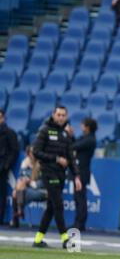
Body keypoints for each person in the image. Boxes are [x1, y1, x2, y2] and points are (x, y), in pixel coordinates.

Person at [32, 106, 82, 248]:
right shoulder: (45, 130)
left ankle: (37, 240)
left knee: (51, 208)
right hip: (48, 172)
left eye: (63, 115)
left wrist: (77, 176)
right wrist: (55, 159)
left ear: (66, 117)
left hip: (61, 174)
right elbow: (36, 151)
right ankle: (65, 239)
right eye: (58, 114)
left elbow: (71, 158)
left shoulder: (66, 134)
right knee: (58, 205)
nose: (61, 117)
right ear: (53, 115)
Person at [67, 118, 97, 232]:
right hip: (79, 171)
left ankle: (79, 223)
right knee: (78, 197)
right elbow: (76, 143)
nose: (81, 126)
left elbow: (74, 146)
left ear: (88, 127)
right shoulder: (86, 138)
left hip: (82, 172)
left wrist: (69, 137)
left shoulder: (90, 139)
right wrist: (71, 136)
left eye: (83, 125)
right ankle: (78, 222)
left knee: (80, 198)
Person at [10, 146, 46, 228]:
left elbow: (44, 182)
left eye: (34, 152)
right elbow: (20, 177)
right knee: (16, 191)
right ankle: (19, 211)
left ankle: (18, 213)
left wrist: (30, 182)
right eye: (31, 153)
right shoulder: (25, 163)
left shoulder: (41, 164)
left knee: (18, 192)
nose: (33, 155)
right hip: (25, 189)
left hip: (40, 190)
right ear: (28, 154)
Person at [0, 109, 19, 225]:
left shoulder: (9, 133)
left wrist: (5, 165)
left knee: (1, 194)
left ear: (3, 118)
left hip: (1, 168)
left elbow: (14, 151)